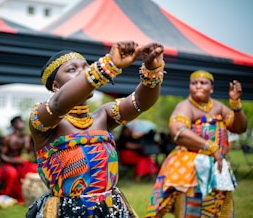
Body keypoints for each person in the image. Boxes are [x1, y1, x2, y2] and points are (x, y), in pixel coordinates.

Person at [26, 41, 165, 217]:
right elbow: (58, 104)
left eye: (86, 67)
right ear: (55, 86)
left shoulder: (104, 115)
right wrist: (108, 65)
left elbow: (140, 102)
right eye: (72, 69)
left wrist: (152, 69)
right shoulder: (42, 118)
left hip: (111, 208)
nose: (83, 72)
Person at [145, 70, 247, 217]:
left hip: (216, 166)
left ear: (211, 88)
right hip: (189, 168)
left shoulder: (218, 107)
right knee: (191, 209)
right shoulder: (185, 106)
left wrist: (236, 105)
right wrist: (211, 147)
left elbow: (240, 128)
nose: (198, 86)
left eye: (203, 83)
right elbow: (177, 131)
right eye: (194, 83)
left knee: (218, 209)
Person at [0, 115, 38, 204]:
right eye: (19, 121)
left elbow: (29, 151)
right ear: (14, 125)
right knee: (12, 173)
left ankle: (32, 194)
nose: (22, 123)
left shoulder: (24, 137)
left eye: (22, 121)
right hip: (7, 164)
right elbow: (2, 156)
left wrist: (28, 139)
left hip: (19, 163)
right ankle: (7, 194)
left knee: (35, 168)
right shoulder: (8, 138)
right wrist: (15, 161)